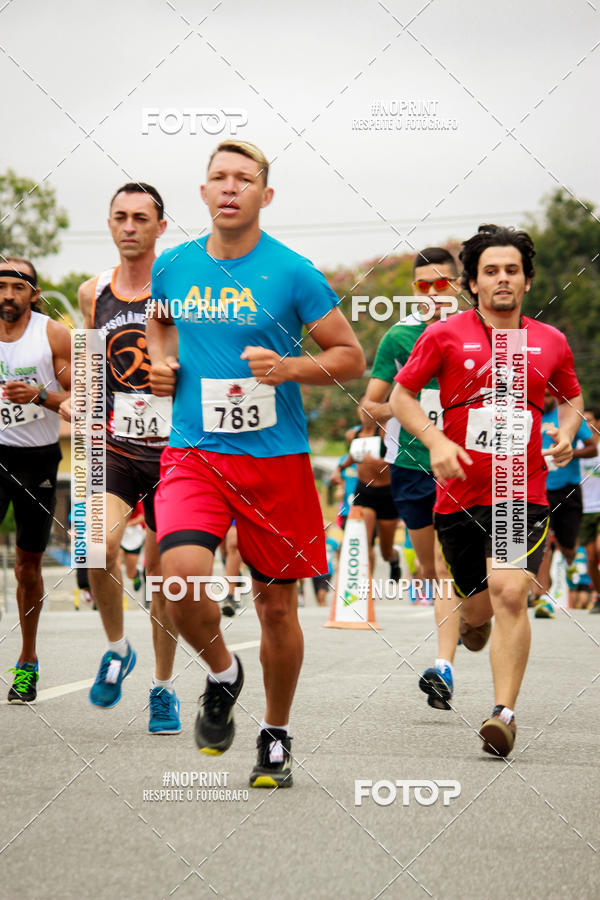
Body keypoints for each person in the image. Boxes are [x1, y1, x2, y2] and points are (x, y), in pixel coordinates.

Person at [147, 139, 365, 787]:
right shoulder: (173, 266)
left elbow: (350, 356)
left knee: (276, 610)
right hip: (195, 453)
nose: (230, 187)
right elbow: (160, 323)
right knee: (179, 578)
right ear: (203, 192)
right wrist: (162, 364)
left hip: (276, 461)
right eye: (219, 177)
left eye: (244, 179)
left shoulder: (294, 273)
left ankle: (276, 734)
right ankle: (223, 673)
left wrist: (290, 367)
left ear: (265, 196)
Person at [390, 224, 584, 756]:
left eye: (512, 271)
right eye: (491, 271)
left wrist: (566, 433)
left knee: (510, 592)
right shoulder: (445, 335)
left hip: (521, 491)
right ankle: (472, 630)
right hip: (458, 496)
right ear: (472, 283)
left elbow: (570, 396)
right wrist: (435, 441)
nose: (502, 279)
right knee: (476, 614)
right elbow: (402, 396)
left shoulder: (550, 341)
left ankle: (503, 715)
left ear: (527, 281)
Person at [60, 183, 180, 733]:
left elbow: (200, 357)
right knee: (94, 543)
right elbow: (89, 362)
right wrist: (76, 401)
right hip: (116, 447)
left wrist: (175, 375)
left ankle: (163, 686)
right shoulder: (93, 292)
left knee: (162, 574)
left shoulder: (182, 290)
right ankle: (117, 649)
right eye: (120, 217)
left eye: (140, 218)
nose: (129, 227)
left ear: (160, 227)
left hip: (176, 451)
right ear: (110, 224)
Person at [360, 247, 463, 709]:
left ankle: (443, 666)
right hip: (412, 467)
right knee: (431, 568)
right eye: (423, 285)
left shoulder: (480, 333)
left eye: (442, 284)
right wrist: (403, 407)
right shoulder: (399, 337)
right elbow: (369, 405)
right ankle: (461, 630)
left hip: (463, 466)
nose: (433, 293)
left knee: (446, 566)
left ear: (459, 285)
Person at [0, 258, 71, 702]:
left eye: (17, 286)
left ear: (34, 293)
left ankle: (27, 661)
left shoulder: (52, 334)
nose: (7, 295)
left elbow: (82, 399)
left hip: (37, 461)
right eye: (1, 286)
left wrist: (40, 395)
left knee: (28, 566)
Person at [531, 390, 595, 618]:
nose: (544, 399)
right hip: (537, 490)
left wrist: (569, 452)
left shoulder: (569, 416)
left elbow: (592, 446)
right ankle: (543, 598)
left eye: (549, 395)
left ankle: (570, 562)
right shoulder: (528, 414)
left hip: (567, 490)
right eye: (541, 394)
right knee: (542, 544)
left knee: (568, 545)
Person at [339, 420, 400, 578]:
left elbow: (399, 456)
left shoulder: (386, 432)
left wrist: (379, 462)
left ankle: (393, 558)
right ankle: (367, 585)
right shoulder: (352, 434)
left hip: (387, 494)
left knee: (385, 551)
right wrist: (339, 468)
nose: (365, 412)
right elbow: (353, 456)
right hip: (364, 492)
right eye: (362, 409)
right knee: (364, 544)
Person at [580, 406, 600, 613]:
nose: (586, 424)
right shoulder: (579, 445)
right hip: (585, 508)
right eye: (582, 420)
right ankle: (599, 595)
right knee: (591, 557)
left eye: (589, 420)